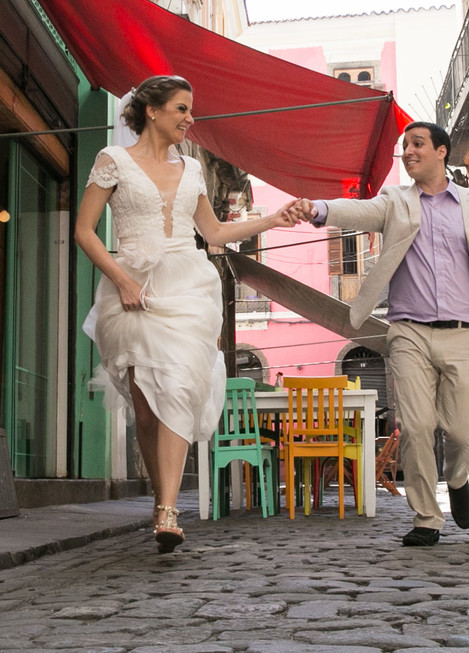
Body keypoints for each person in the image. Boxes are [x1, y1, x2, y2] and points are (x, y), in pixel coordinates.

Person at [292, 121, 469, 547]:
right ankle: (426, 518)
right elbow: (358, 211)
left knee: (464, 432)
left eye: (417, 144)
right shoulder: (396, 201)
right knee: (415, 426)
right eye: (404, 146)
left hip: (467, 334)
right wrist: (319, 208)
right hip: (409, 332)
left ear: (441, 151)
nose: (407, 152)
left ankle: (459, 477)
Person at [75, 75, 304, 553]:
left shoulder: (193, 171)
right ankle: (163, 498)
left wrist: (272, 220)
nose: (189, 119)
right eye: (181, 109)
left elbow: (215, 233)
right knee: (143, 410)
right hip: (131, 287)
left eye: (190, 110)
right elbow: (84, 231)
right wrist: (122, 280)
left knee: (178, 385)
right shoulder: (112, 161)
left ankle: (168, 510)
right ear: (153, 111)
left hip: (186, 287)